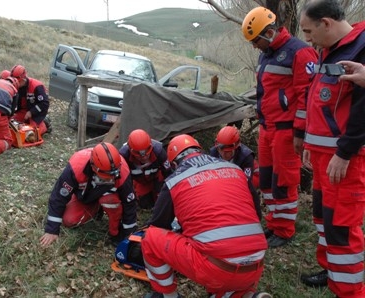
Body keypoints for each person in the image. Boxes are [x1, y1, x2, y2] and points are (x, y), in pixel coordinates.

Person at [141, 134, 269, 298]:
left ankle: (169, 296)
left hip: (217, 269)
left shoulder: (175, 180)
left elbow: (159, 225)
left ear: (174, 163)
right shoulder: (235, 169)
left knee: (151, 237)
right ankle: (246, 294)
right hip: (256, 266)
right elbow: (256, 214)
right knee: (227, 272)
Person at [298, 1, 365, 295]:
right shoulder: (330, 49)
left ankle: (349, 290)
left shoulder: (361, 47)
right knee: (323, 218)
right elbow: (320, 98)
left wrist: (344, 152)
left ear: (326, 23)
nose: (308, 39)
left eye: (309, 31)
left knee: (341, 227)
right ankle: (332, 271)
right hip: (325, 155)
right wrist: (311, 141)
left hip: (345, 160)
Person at [241, 7, 319, 248]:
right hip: (268, 127)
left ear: (270, 32)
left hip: (286, 131)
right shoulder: (266, 53)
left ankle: (285, 230)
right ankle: (274, 223)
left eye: (256, 41)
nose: (255, 47)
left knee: (283, 181)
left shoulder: (300, 52)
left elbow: (306, 96)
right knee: (266, 180)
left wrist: (299, 132)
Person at [39, 142, 137, 248]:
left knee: (110, 201)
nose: (110, 179)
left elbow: (129, 203)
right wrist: (52, 230)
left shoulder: (123, 171)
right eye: (106, 176)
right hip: (85, 197)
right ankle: (95, 208)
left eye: (113, 175)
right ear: (94, 167)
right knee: (69, 220)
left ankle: (115, 230)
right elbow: (59, 196)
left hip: (110, 197)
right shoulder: (76, 167)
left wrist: (128, 234)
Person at [119, 129, 172, 209]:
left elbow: (168, 173)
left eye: (147, 151)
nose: (144, 156)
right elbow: (123, 180)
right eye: (138, 153)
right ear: (131, 150)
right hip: (140, 181)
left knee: (163, 200)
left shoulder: (159, 151)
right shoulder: (124, 156)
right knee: (145, 204)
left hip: (157, 176)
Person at [9, 64, 52, 134]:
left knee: (31, 133)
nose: (15, 84)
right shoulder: (15, 87)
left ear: (23, 79)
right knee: (10, 124)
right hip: (23, 111)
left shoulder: (36, 86)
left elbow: (44, 103)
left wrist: (31, 112)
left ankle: (45, 124)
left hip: (37, 113)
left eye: (17, 81)